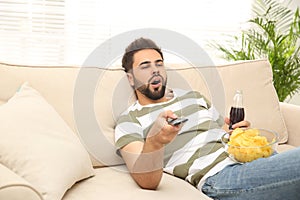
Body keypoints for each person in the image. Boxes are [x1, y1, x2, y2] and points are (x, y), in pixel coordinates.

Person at [114, 37, 300, 200]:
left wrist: (236, 133)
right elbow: (146, 180)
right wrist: (155, 141)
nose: (155, 70)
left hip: (254, 159)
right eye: (145, 66)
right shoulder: (129, 120)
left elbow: (221, 134)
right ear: (131, 78)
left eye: (159, 63)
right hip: (222, 176)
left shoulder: (193, 97)